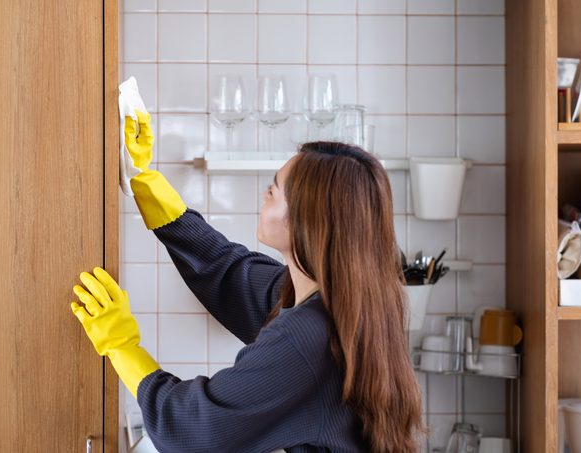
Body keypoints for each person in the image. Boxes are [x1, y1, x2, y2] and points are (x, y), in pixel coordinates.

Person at [71, 112, 424, 452]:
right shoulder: (339, 300)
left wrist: (122, 344)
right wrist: (143, 179)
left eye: (274, 190)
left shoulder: (308, 338)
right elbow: (226, 270)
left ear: (308, 222)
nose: (264, 194)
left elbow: (195, 431)